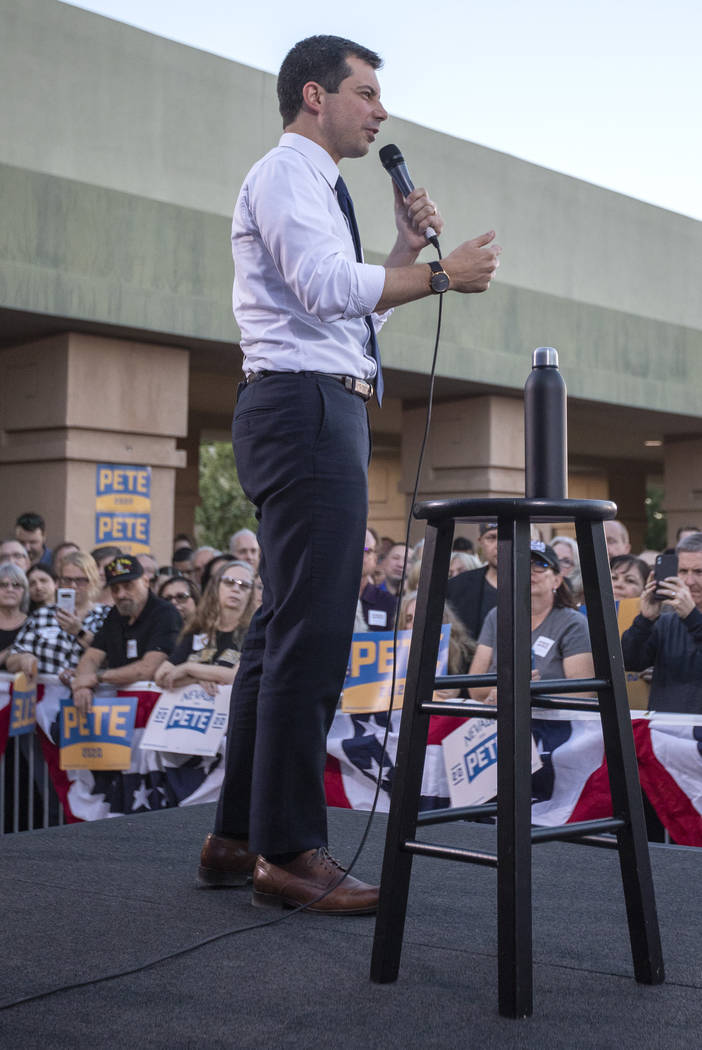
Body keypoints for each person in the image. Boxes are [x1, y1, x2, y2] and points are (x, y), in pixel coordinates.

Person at [199, 34, 501, 913]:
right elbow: (332, 288)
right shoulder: (290, 173)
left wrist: (407, 256)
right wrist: (442, 276)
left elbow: (347, 320)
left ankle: (238, 837)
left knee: (278, 632)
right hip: (303, 411)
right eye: (365, 93)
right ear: (313, 95)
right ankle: (290, 849)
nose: (379, 111)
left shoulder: (316, 185)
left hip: (309, 398)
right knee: (313, 633)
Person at [468, 542, 593, 702]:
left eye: (541, 565)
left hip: (552, 721)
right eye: (523, 564)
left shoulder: (573, 623)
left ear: (557, 580)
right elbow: (474, 687)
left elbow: (583, 692)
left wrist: (531, 692)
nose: (530, 571)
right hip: (497, 717)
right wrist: (507, 690)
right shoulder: (497, 615)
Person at [71, 555, 181, 715]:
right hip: (120, 710)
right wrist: (82, 687)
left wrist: (97, 678)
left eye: (128, 585)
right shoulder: (115, 615)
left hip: (155, 710)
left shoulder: (165, 613)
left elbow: (148, 669)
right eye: (115, 589)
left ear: (145, 581)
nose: (121, 594)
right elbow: (92, 657)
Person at [621, 532, 702, 713]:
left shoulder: (687, 618)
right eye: (682, 571)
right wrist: (645, 620)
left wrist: (692, 618)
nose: (689, 581)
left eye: (699, 572)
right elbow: (629, 661)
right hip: (664, 733)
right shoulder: (665, 620)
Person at [155, 561, 256, 693]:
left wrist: (188, 668)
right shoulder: (198, 630)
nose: (236, 589)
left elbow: (237, 677)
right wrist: (196, 680)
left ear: (251, 593)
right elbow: (161, 676)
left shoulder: (255, 632)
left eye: (244, 585)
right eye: (229, 582)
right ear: (216, 586)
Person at [6, 551, 109, 680]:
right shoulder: (42, 615)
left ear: (93, 581)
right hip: (47, 697)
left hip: (92, 696)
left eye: (81, 580)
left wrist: (80, 632)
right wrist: (23, 659)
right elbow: (11, 661)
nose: (73, 586)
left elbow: (113, 658)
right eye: (67, 580)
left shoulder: (107, 615)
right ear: (59, 582)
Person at [446, 522, 498, 641]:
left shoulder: (534, 584)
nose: (498, 545)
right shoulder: (456, 586)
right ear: (480, 542)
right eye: (491, 538)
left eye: (507, 537)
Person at [356, 527, 396, 631]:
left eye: (364, 549)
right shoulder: (325, 597)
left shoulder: (389, 602)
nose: (355, 553)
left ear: (375, 558)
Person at [0, 563, 28, 669]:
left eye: (16, 585)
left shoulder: (34, 623)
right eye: (3, 585)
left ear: (24, 591)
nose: (10, 589)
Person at [550, 534, 583, 604]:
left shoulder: (582, 601)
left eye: (566, 561)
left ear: (576, 567)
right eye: (554, 558)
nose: (557, 565)